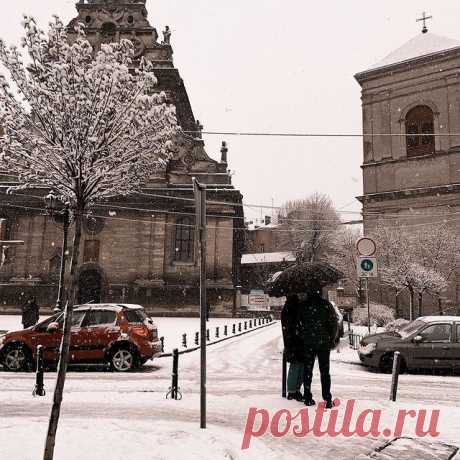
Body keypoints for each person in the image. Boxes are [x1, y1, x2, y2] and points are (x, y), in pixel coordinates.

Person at [297, 287, 339, 408]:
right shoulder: (326, 305)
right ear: (320, 292)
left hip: (308, 342)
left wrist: (303, 336)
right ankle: (327, 398)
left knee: (308, 370)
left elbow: (299, 324)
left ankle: (307, 396)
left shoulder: (303, 306)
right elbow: (333, 323)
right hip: (323, 342)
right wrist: (331, 339)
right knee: (325, 372)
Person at [281, 294, 304, 401]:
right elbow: (292, 325)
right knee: (297, 366)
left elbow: (286, 326)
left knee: (296, 366)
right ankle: (294, 390)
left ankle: (293, 390)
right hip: (296, 341)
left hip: (291, 341)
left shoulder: (288, 307)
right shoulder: (295, 307)